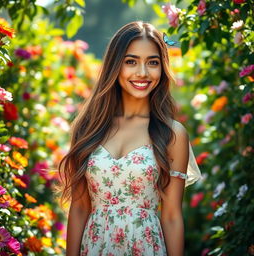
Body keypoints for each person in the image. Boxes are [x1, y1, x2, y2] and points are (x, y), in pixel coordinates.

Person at [59, 21, 202, 256]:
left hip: (146, 247)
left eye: (153, 63)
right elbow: (79, 208)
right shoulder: (88, 128)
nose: (143, 73)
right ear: (115, 65)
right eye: (131, 61)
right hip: (95, 248)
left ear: (162, 68)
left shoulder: (172, 133)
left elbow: (172, 215)